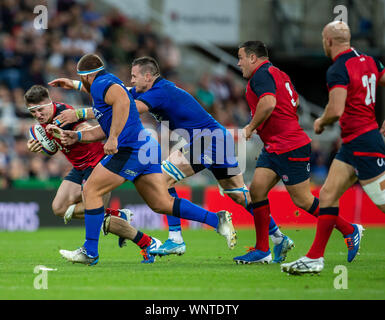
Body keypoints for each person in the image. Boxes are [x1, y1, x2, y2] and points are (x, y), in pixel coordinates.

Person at [50, 56, 291, 263]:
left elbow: (123, 105)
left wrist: (80, 113)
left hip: (207, 141)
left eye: (134, 76)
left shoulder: (159, 91)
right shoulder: (148, 88)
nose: (131, 81)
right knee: (239, 195)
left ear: (148, 76)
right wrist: (73, 84)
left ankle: (175, 238)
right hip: (217, 138)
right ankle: (279, 236)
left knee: (162, 180)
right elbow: (115, 93)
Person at [234, 41, 356, 264]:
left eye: (241, 57)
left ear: (253, 58)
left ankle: (349, 229)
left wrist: (251, 126)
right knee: (258, 191)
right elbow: (295, 100)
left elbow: (269, 102)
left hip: (289, 145)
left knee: (303, 200)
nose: (238, 62)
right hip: (275, 146)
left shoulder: (260, 75)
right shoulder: (279, 73)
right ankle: (262, 249)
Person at [281, 21, 385, 274]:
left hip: (363, 143)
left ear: (328, 41)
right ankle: (315, 258)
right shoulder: (370, 61)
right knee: (327, 195)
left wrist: (321, 122)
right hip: (354, 143)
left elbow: (336, 109)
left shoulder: (338, 69)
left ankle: (317, 256)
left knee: (383, 202)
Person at [24, 84, 161, 264]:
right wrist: (36, 147)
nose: (38, 115)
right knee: (58, 208)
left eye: (40, 109)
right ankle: (117, 216)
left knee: (96, 214)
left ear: (50, 103)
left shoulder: (64, 114)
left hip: (98, 165)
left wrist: (73, 133)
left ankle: (147, 242)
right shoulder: (42, 124)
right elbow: (52, 147)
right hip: (79, 168)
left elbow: (86, 127)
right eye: (33, 112)